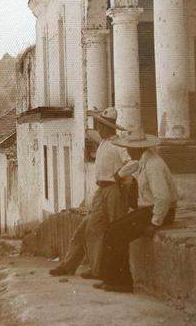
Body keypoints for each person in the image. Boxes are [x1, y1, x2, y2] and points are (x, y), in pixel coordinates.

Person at [49, 107, 130, 278]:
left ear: (107, 127)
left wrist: (120, 176)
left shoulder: (119, 144)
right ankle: (70, 266)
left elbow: (131, 163)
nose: (98, 128)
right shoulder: (103, 143)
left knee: (111, 230)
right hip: (101, 190)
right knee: (85, 228)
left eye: (100, 125)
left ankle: (102, 270)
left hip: (113, 190)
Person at [94, 127, 178, 293]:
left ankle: (122, 282)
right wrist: (118, 176)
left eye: (129, 148)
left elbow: (163, 197)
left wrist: (155, 223)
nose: (127, 152)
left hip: (160, 211)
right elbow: (127, 171)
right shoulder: (142, 161)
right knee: (112, 229)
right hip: (148, 209)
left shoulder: (153, 165)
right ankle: (112, 278)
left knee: (117, 233)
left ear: (138, 148)